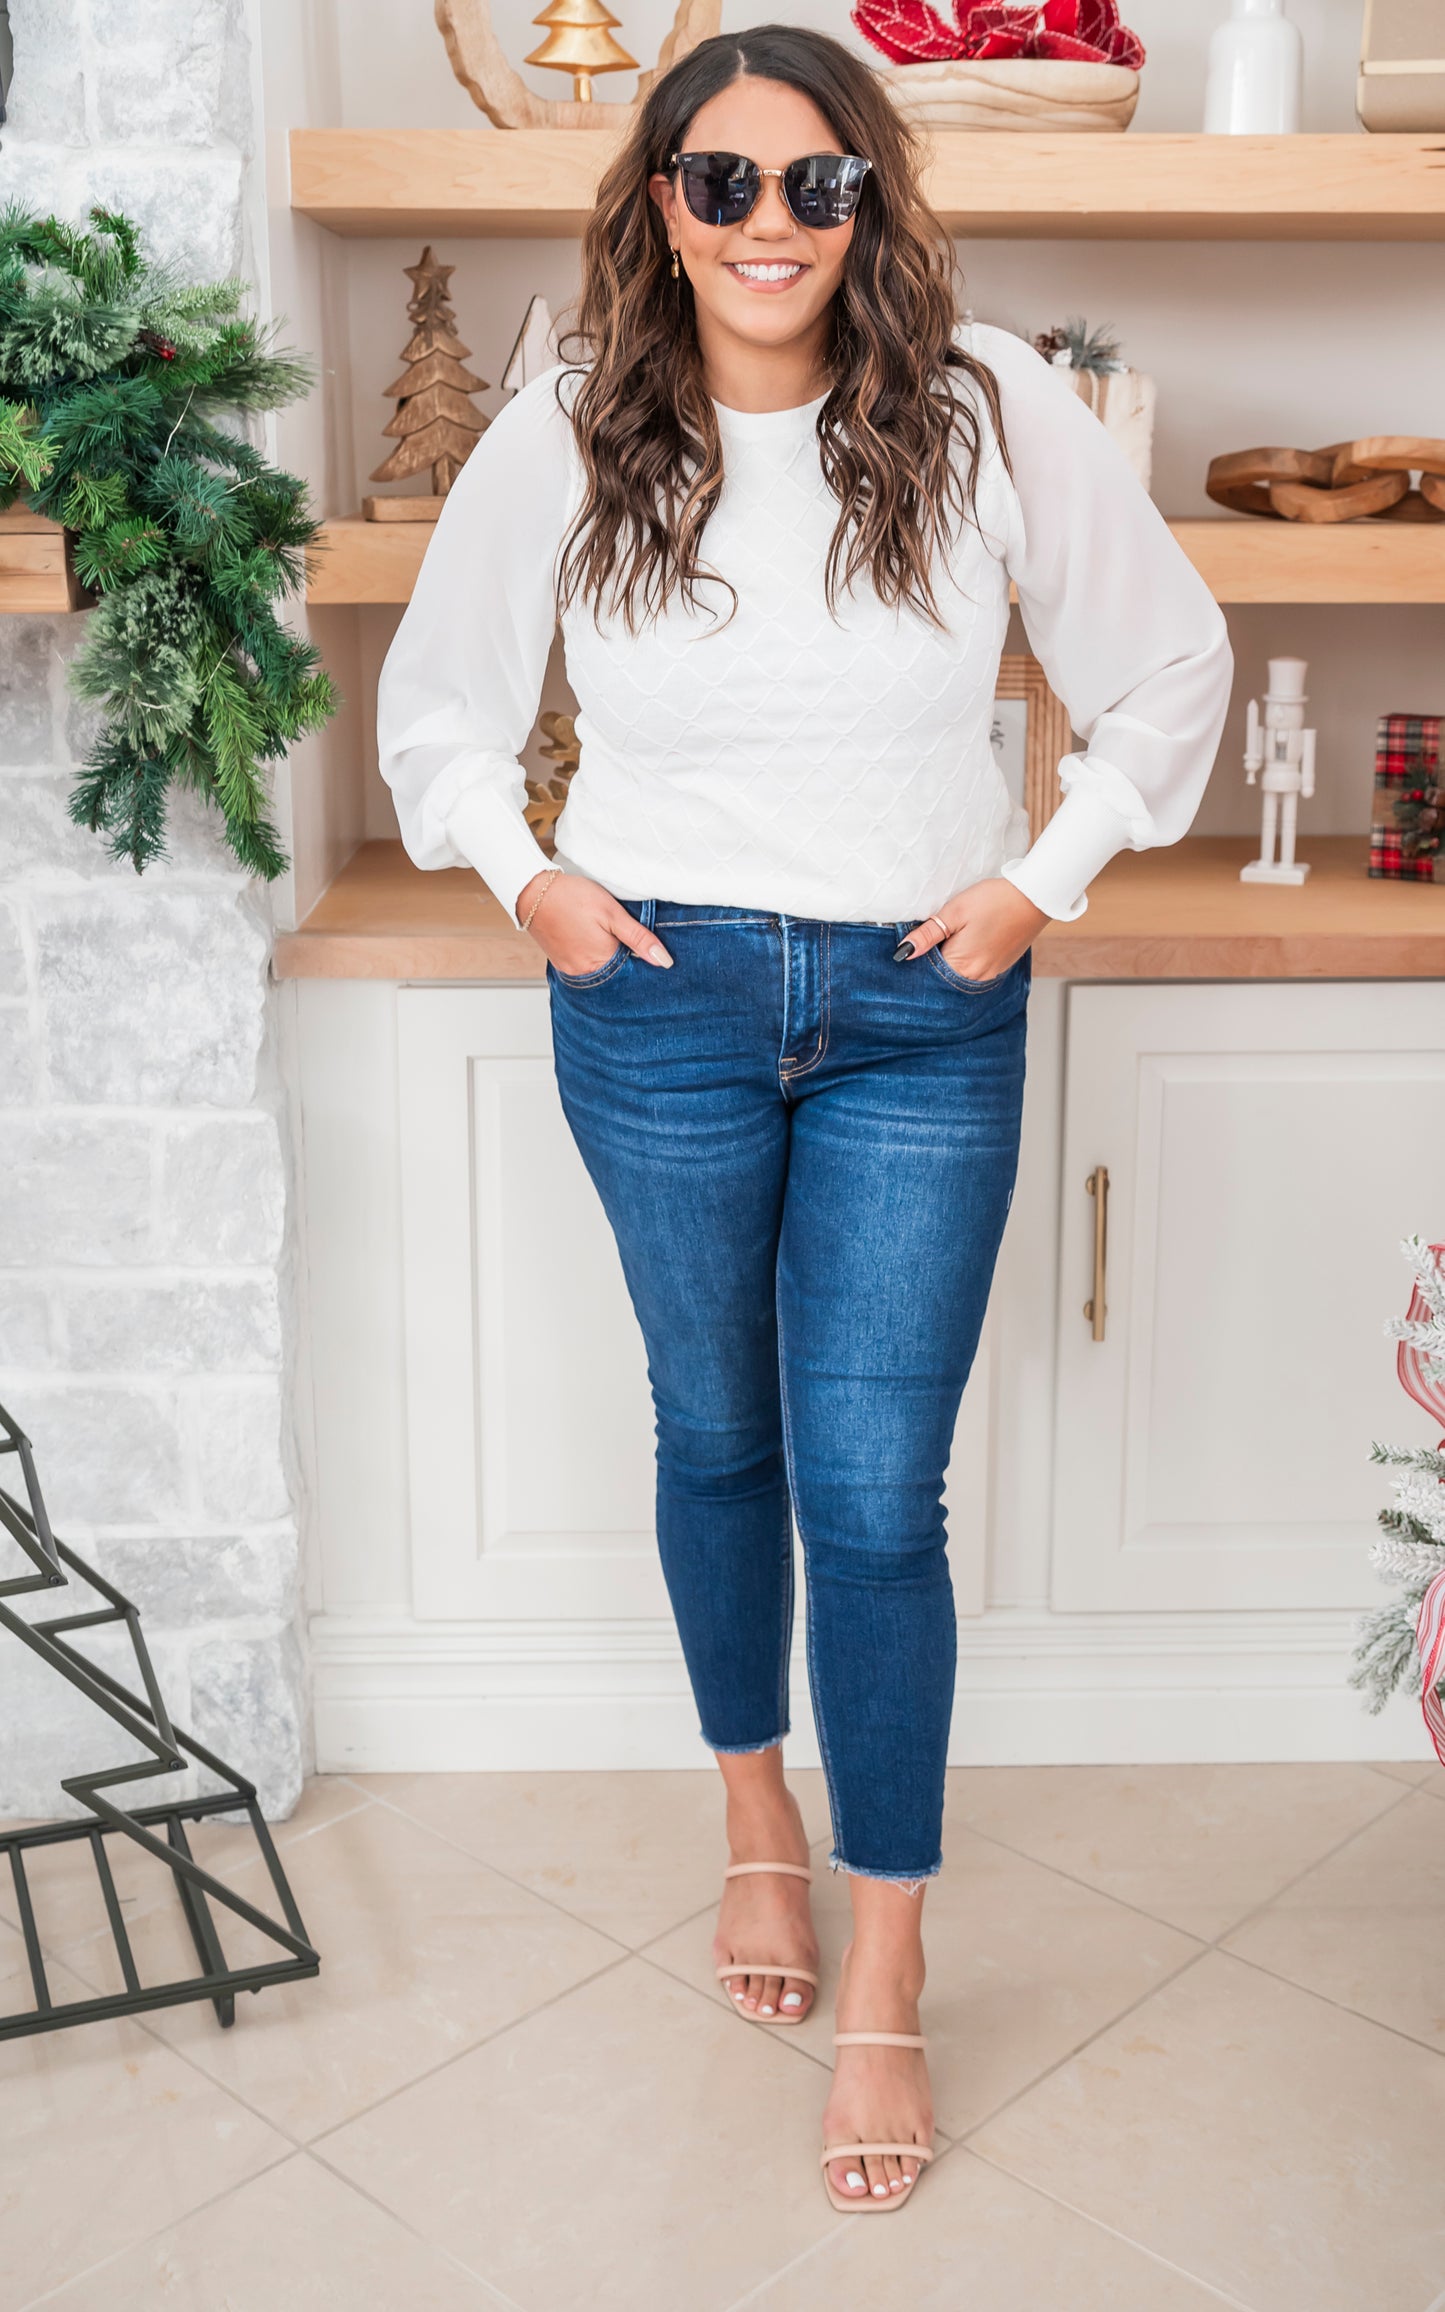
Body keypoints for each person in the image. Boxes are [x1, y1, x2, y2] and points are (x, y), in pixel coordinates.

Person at [378, 23, 1232, 2214]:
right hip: (654, 994)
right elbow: (438, 713)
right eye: (724, 182)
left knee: (874, 1496)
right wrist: (540, 885)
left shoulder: (986, 411)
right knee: (715, 1437)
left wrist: (1038, 880)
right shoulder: (573, 428)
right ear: (659, 201)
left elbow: (1173, 669)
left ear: (873, 198)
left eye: (817, 183)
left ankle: (888, 1969)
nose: (772, 224)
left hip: (915, 1003)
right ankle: (753, 1808)